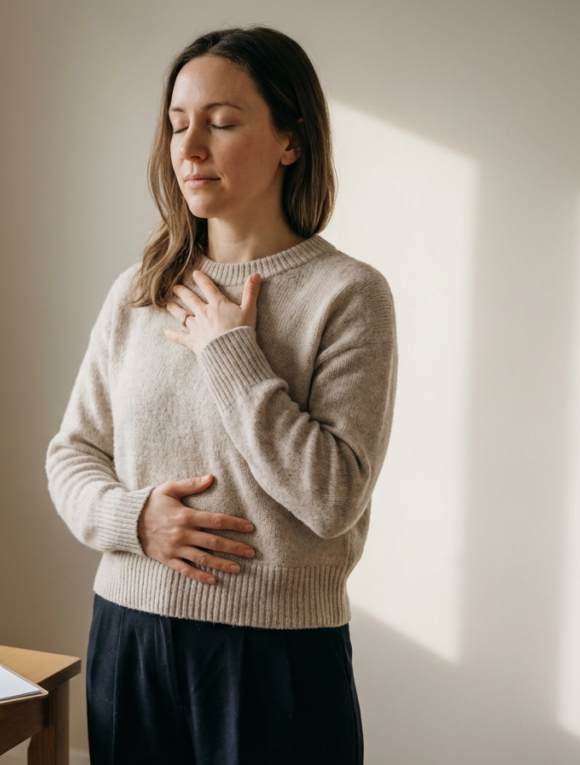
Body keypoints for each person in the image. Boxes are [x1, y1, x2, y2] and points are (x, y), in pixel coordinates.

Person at [45, 25, 397, 765]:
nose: (190, 147)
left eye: (222, 121)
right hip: (129, 633)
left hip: (277, 657)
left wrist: (229, 350)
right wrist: (135, 519)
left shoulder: (348, 295)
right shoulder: (139, 291)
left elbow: (333, 496)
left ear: (290, 142)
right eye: (177, 125)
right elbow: (72, 454)